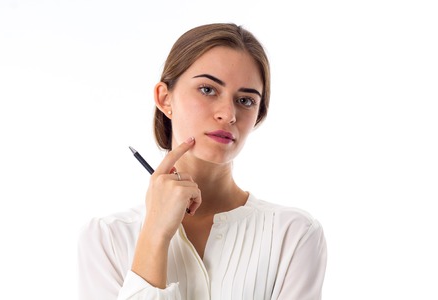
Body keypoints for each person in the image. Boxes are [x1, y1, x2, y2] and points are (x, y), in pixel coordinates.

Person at [78, 22, 327, 300]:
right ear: (164, 98)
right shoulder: (107, 238)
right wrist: (155, 235)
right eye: (208, 90)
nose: (227, 114)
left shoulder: (293, 235)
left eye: (245, 100)